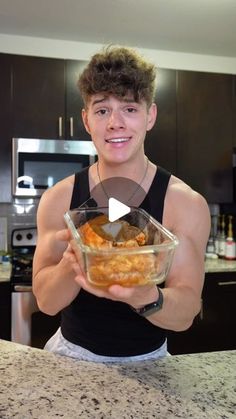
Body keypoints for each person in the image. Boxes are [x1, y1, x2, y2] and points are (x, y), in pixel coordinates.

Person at [32, 45, 211, 362]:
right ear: (87, 121)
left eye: (129, 109)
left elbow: (185, 311)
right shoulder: (59, 199)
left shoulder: (185, 204)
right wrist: (73, 261)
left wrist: (146, 296)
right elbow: (46, 301)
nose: (115, 122)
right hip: (71, 354)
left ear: (150, 116)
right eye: (102, 110)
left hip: (148, 360)